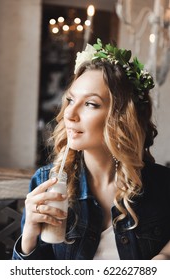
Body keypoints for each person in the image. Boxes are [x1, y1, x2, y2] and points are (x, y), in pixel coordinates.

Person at [12, 38, 170, 260]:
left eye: (90, 104)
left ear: (121, 118)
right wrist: (28, 237)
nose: (69, 113)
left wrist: (165, 256)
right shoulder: (46, 181)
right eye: (70, 100)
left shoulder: (162, 185)